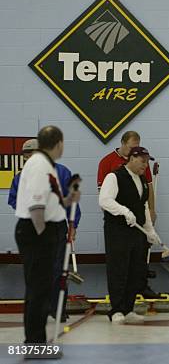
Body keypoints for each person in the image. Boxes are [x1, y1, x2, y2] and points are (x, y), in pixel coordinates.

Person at [14, 126, 80, 343]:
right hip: (37, 232)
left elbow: (50, 201)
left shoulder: (45, 164)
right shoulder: (40, 165)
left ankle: (36, 340)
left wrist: (70, 199)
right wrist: (43, 236)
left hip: (42, 230)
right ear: (58, 143)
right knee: (38, 289)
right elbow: (36, 206)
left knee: (40, 288)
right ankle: (34, 343)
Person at [99, 146, 161, 324]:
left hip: (137, 232)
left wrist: (150, 230)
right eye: (142, 161)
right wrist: (123, 211)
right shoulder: (114, 177)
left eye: (147, 161)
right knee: (119, 270)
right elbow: (104, 200)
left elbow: (143, 207)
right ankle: (116, 310)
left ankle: (128, 309)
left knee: (136, 271)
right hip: (117, 231)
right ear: (132, 158)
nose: (145, 165)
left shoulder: (141, 180)